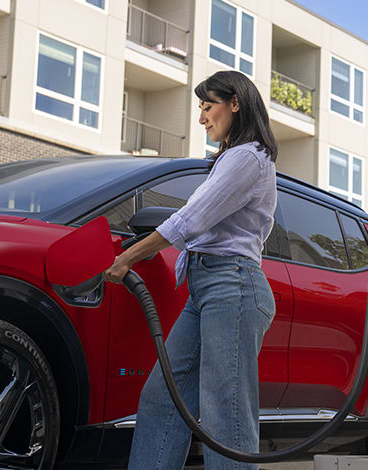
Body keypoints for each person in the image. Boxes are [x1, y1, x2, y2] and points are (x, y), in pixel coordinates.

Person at [102, 70, 278, 470]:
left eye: (207, 106)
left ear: (235, 102)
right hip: (207, 290)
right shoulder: (231, 159)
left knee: (224, 413)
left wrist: (128, 257)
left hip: (231, 287)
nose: (202, 118)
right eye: (200, 108)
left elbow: (190, 220)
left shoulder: (248, 157)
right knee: (163, 398)